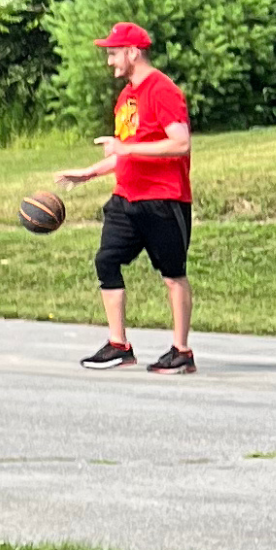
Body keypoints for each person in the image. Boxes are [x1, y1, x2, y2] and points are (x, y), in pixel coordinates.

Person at [53, 20, 196, 373]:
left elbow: (180, 143)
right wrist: (89, 172)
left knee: (173, 274)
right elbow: (125, 151)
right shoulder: (127, 96)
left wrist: (126, 150)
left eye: (114, 53)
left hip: (164, 199)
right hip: (126, 199)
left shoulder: (162, 90)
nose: (109, 61)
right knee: (106, 260)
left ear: (133, 52)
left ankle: (181, 351)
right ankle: (119, 345)